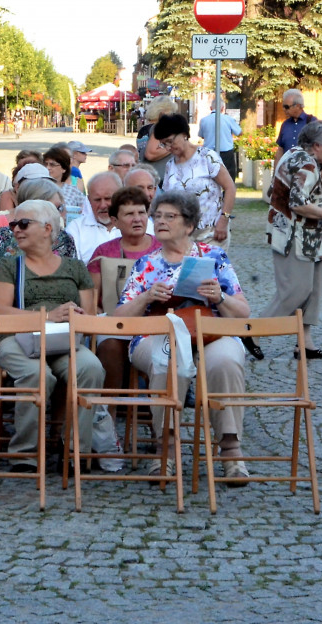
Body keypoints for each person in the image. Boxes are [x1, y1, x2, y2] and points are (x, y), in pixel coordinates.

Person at [113, 190, 251, 480]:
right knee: (167, 361)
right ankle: (167, 444)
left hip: (209, 330)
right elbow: (119, 319)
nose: (160, 221)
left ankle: (230, 448)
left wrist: (219, 297)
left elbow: (243, 313)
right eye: (158, 216)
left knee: (226, 360)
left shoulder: (214, 256)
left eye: (170, 216)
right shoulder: (147, 264)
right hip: (159, 332)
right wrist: (147, 296)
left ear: (189, 225)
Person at [0, 199, 104, 473]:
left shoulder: (76, 268)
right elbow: (1, 312)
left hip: (64, 340)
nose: (15, 229)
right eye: (13, 224)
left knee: (91, 368)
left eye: (23, 223)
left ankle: (76, 451)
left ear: (47, 229)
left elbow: (89, 317)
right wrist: (46, 316)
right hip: (19, 339)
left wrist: (75, 315)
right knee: (37, 374)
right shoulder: (9, 266)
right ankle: (25, 454)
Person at [252, 120, 322, 361]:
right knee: (296, 291)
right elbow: (298, 203)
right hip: (296, 236)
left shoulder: (295, 153)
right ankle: (251, 332)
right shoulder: (307, 166)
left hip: (307, 235)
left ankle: (305, 344)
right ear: (316, 144)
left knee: (313, 289)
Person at [87, 187, 158, 397]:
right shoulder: (103, 251)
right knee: (110, 345)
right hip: (113, 323)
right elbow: (93, 297)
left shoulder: (162, 249)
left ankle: (159, 418)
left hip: (153, 324)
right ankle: (108, 413)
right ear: (115, 221)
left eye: (141, 212)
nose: (137, 219)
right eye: (129, 214)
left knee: (165, 351)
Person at [154, 113, 236, 249]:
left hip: (212, 233)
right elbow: (168, 199)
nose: (168, 147)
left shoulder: (207, 157)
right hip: (182, 236)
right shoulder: (170, 165)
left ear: (184, 134)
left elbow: (230, 188)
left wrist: (224, 219)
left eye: (170, 141)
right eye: (164, 144)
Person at [0, 177, 78, 289]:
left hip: (53, 302)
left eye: (59, 207)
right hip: (9, 300)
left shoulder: (63, 239)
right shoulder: (5, 236)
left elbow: (72, 284)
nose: (60, 214)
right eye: (53, 208)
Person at [65, 171, 127, 263]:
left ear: (121, 197)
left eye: (108, 199)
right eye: (97, 200)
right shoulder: (76, 229)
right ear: (89, 200)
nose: (103, 205)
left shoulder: (137, 224)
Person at [135, 94, 179, 184]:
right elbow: (151, 154)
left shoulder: (144, 129)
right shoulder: (159, 128)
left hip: (145, 177)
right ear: (163, 112)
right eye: (172, 113)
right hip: (159, 180)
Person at [274, 89, 318, 169]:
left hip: (306, 173)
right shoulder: (285, 125)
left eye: (286, 107)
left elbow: (321, 147)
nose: (284, 109)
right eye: (283, 106)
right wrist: (275, 175)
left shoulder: (312, 122)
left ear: (298, 106)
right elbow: (280, 150)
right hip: (286, 173)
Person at [198, 99, 242, 180]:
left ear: (211, 108)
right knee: (229, 178)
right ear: (222, 108)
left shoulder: (204, 120)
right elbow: (239, 132)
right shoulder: (228, 119)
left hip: (209, 152)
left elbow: (202, 135)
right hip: (226, 152)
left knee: (210, 177)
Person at [43, 146, 86, 223]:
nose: (48, 167)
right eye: (45, 164)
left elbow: (86, 210)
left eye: (52, 165)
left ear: (64, 168)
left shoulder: (73, 191)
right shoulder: (38, 189)